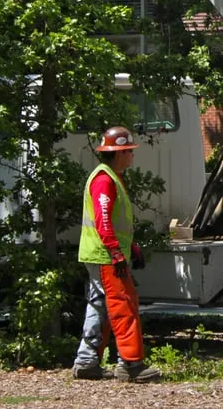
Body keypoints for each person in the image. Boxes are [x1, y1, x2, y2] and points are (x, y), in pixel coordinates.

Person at [71, 126, 161, 383]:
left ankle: (86, 362)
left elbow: (113, 223)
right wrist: (116, 254)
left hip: (101, 254)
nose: (132, 156)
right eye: (129, 151)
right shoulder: (105, 180)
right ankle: (130, 364)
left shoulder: (110, 177)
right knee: (123, 304)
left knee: (98, 305)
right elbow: (104, 223)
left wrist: (131, 249)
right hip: (105, 256)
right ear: (119, 153)